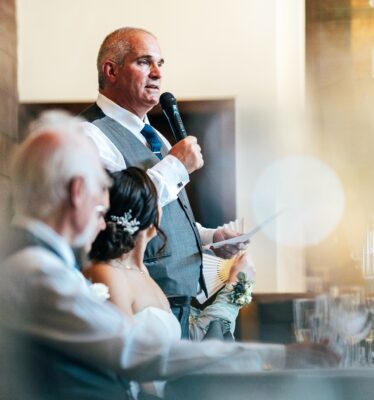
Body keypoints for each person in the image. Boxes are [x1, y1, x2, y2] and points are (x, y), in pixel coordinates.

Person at [0, 112, 337, 400]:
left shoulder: (39, 263)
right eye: (102, 187)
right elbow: (135, 351)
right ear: (78, 191)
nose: (106, 210)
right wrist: (279, 356)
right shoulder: (36, 271)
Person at [80, 26, 243, 337]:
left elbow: (162, 218)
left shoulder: (157, 138)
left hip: (186, 307)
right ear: (111, 71)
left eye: (160, 64)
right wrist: (176, 167)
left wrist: (210, 238)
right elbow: (119, 211)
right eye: (144, 62)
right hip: (137, 307)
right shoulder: (89, 134)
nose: (157, 73)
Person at [86, 166, 248, 344]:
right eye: (159, 201)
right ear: (152, 216)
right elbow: (121, 352)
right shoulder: (108, 274)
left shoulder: (142, 272)